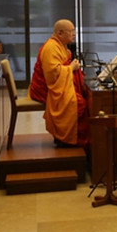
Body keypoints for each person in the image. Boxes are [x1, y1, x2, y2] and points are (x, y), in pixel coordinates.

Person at [29, 19, 90, 148]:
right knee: (78, 103)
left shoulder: (61, 45)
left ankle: (75, 137)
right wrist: (71, 68)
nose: (74, 34)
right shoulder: (51, 47)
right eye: (71, 31)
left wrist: (72, 67)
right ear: (60, 33)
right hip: (44, 89)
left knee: (84, 96)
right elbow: (52, 75)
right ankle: (67, 139)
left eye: (74, 30)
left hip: (58, 85)